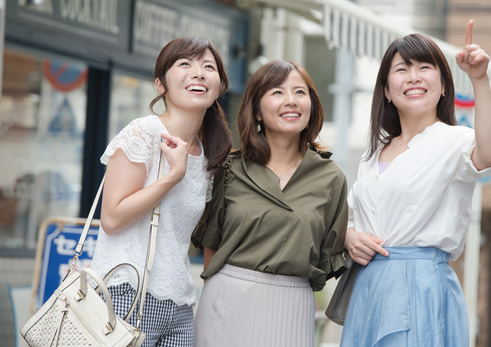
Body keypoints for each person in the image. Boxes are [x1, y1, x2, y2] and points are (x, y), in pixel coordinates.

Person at [341, 20, 491, 347]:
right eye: (402, 69)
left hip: (421, 284)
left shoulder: (455, 140)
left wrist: (479, 79)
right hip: (369, 285)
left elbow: (489, 153)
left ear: (444, 86)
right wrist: (349, 236)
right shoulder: (373, 153)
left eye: (424, 67)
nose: (413, 77)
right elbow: (352, 218)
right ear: (386, 90)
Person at [191, 60, 349, 347]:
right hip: (226, 302)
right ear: (257, 110)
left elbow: (327, 257)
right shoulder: (229, 169)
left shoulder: (331, 177)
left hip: (293, 305)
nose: (291, 101)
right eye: (277, 92)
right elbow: (211, 245)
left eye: (300, 92)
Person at [90, 36, 233, 346]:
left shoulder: (209, 154)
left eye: (208, 67)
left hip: (180, 301)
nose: (198, 73)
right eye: (185, 64)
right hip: (128, 291)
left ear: (219, 85)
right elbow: (112, 218)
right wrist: (172, 176)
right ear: (160, 84)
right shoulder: (145, 131)